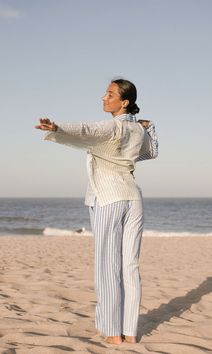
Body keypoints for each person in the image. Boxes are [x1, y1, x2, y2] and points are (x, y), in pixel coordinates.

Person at [35, 78, 158, 344]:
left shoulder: (112, 127)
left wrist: (56, 128)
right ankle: (131, 333)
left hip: (109, 198)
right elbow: (150, 153)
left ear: (124, 101)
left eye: (110, 94)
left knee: (107, 266)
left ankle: (114, 334)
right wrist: (147, 126)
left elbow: (85, 130)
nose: (104, 97)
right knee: (130, 267)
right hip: (133, 199)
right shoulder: (138, 131)